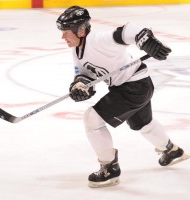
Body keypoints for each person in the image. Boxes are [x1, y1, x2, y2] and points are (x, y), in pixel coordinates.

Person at [56, 6, 190, 188]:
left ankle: (109, 168)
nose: (63, 37)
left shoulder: (98, 40)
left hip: (134, 87)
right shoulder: (77, 51)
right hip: (137, 85)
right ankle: (172, 151)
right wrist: (80, 86)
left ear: (80, 30)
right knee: (143, 124)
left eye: (66, 32)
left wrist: (147, 42)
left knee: (92, 119)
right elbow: (85, 75)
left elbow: (128, 30)